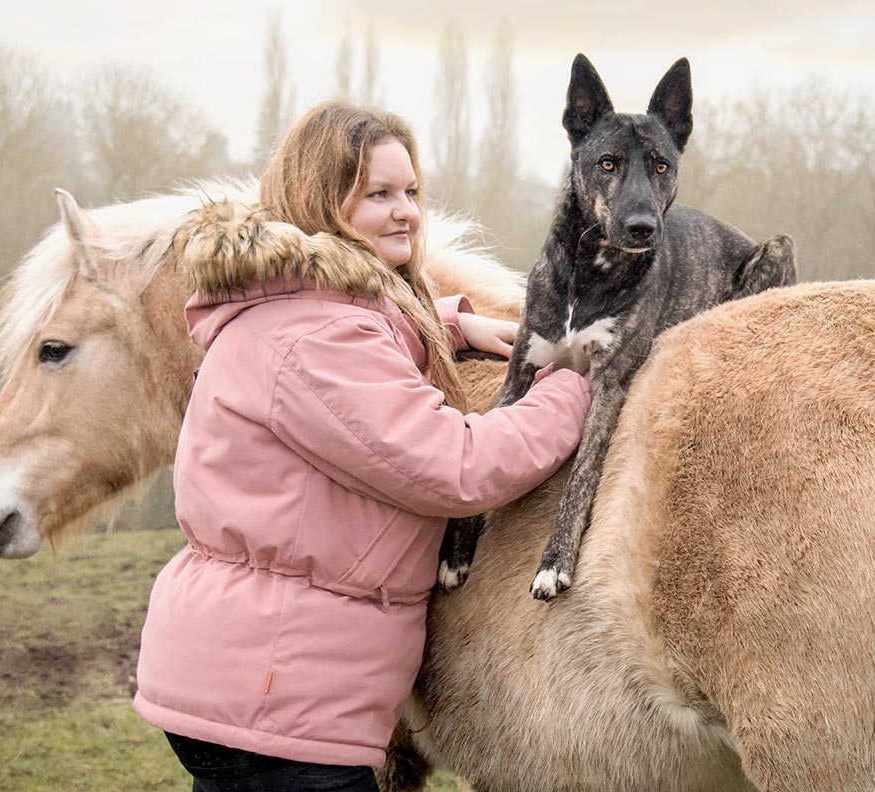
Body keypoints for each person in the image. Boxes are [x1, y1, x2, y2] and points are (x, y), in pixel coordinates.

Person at [131, 101, 593, 791]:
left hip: (249, 689)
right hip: (282, 706)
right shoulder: (317, 341)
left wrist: (448, 328)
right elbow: (459, 466)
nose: (405, 210)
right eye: (377, 194)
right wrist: (572, 384)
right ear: (321, 201)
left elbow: (353, 355)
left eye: (410, 191)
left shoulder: (291, 310)